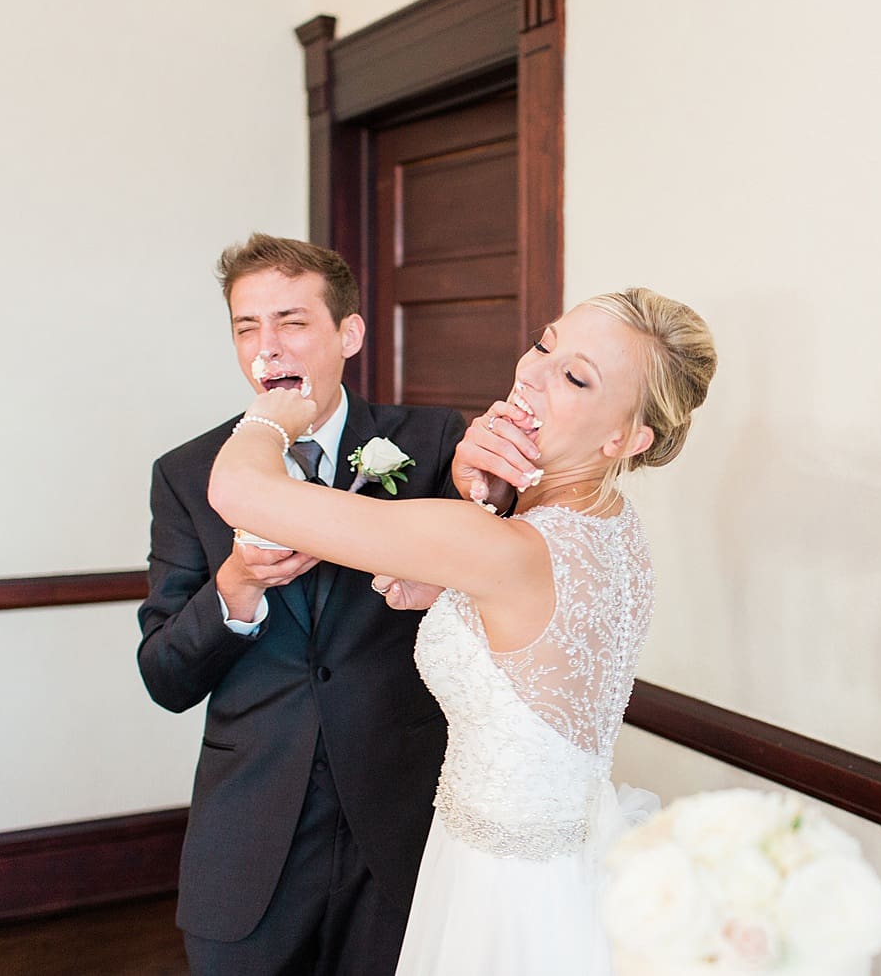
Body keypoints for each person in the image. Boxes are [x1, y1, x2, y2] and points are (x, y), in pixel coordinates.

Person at [207, 287, 718, 974]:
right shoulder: (610, 527)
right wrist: (460, 572)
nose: (531, 373)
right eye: (544, 344)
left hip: (502, 889)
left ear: (624, 438)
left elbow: (240, 491)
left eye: (574, 376)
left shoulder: (504, 549)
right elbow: (538, 644)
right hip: (563, 857)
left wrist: (267, 420)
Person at [137, 233, 531, 976]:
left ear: (347, 332)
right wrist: (237, 587)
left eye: (291, 321)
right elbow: (164, 676)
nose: (267, 348)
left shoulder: (434, 440)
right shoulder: (190, 474)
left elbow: (494, 584)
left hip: (403, 826)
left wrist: (495, 494)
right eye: (246, 326)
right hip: (249, 837)